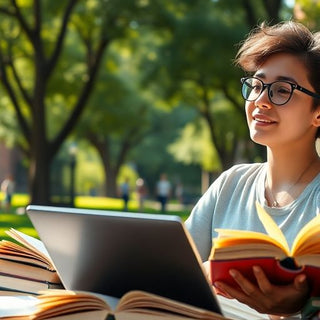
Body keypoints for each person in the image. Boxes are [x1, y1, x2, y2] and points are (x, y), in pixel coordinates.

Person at [186, 21, 320, 319]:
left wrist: (291, 312)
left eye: (282, 90)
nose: (261, 101)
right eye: (257, 85)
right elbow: (177, 270)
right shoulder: (231, 184)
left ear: (318, 113)